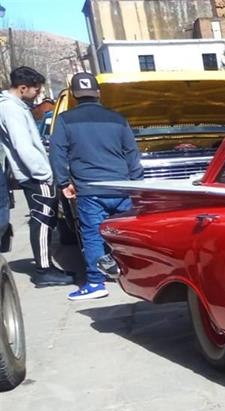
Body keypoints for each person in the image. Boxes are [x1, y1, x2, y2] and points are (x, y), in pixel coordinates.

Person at [49, 72, 143, 301]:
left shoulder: (64, 120)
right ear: (98, 93)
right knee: (125, 233)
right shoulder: (117, 118)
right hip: (121, 187)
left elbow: (57, 154)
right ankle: (134, 275)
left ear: (73, 94)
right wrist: (136, 182)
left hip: (90, 190)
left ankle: (95, 282)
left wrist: (63, 183)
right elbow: (132, 152)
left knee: (92, 235)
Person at [0, 66, 73, 286]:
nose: (37, 95)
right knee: (42, 221)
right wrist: (44, 173)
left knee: (45, 220)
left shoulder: (16, 107)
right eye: (35, 90)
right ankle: (43, 270)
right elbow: (23, 146)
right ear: (23, 88)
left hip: (33, 174)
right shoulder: (11, 110)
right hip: (35, 176)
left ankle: (45, 266)